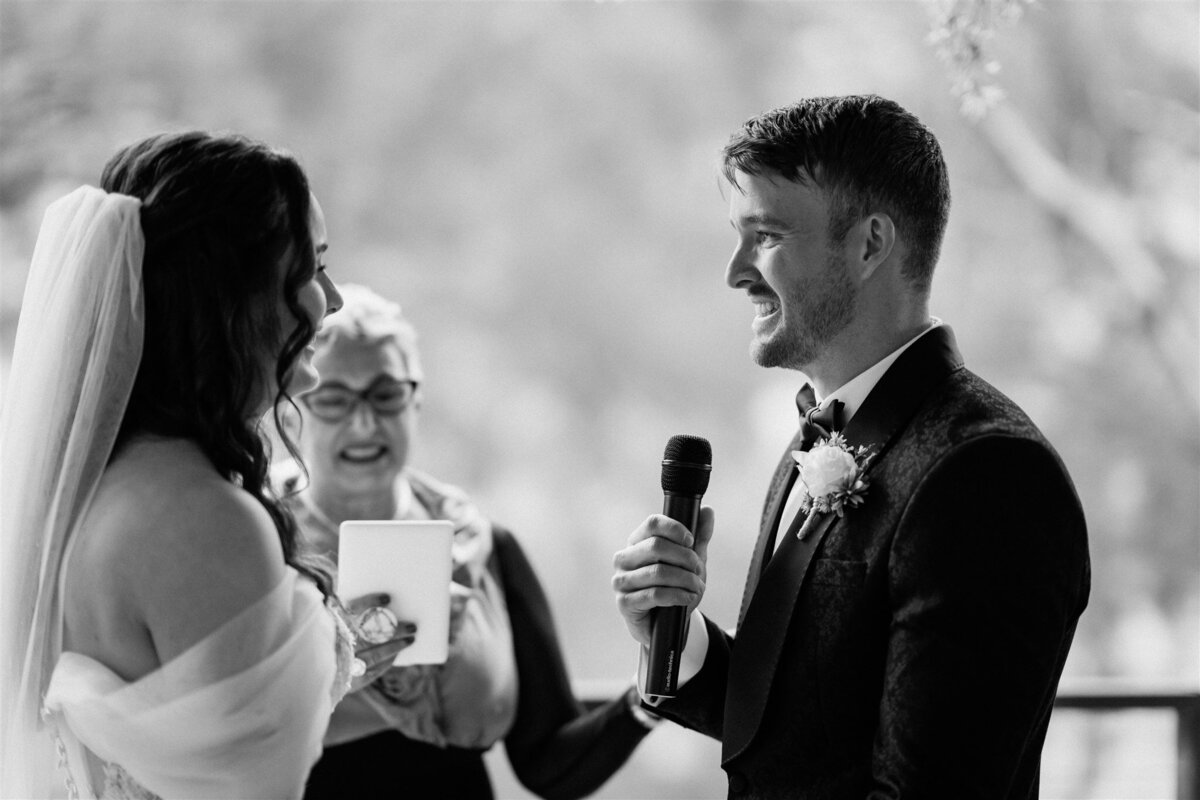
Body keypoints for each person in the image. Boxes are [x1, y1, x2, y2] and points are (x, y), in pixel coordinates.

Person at [612, 95, 1090, 798]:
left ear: (869, 245)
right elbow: (804, 743)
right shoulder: (826, 434)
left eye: (766, 236)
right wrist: (677, 637)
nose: (736, 271)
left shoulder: (988, 475)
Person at [0, 132, 411, 800]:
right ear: (234, 297)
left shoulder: (82, 492)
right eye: (311, 269)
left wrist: (319, 669)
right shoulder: (206, 519)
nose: (331, 301)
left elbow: (175, 727)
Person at [277, 283, 657, 800]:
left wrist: (656, 686)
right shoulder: (260, 542)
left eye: (385, 393)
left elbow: (547, 760)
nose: (363, 421)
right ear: (293, 405)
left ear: (417, 400)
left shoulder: (482, 544)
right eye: (334, 399)